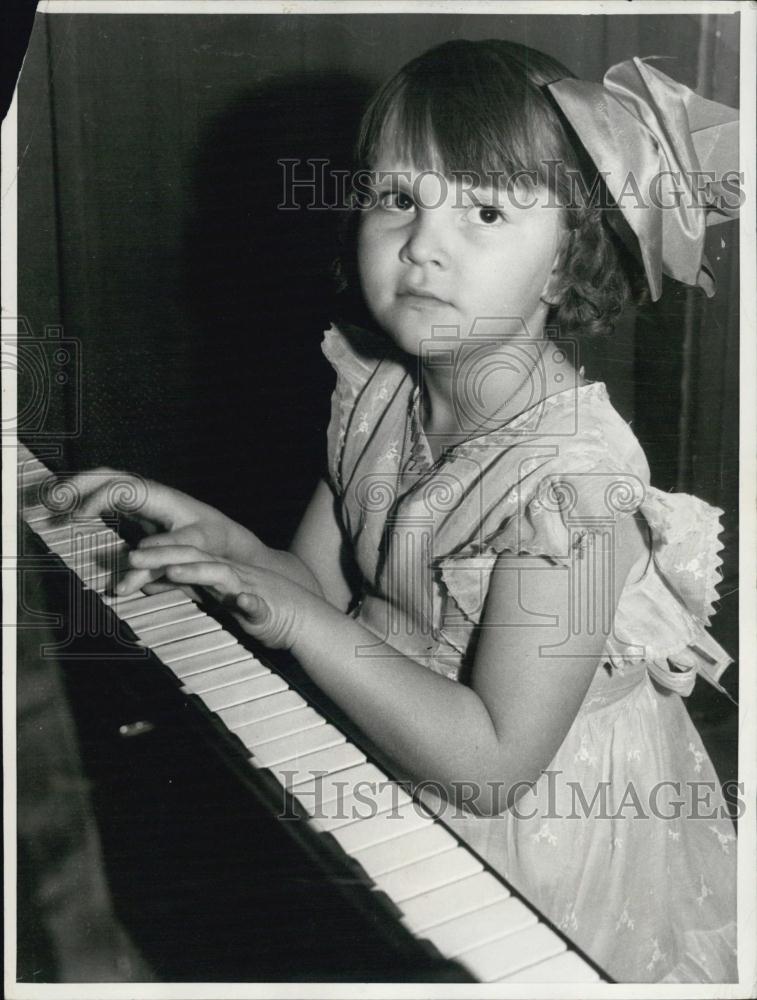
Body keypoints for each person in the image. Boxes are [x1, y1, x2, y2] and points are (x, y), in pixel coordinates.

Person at [69, 40, 739, 983]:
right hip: (393, 743)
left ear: (565, 261)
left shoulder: (575, 494)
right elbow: (320, 587)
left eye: (486, 209)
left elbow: (493, 765)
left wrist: (300, 619)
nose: (423, 242)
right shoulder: (379, 388)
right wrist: (223, 541)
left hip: (533, 831)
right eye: (396, 198)